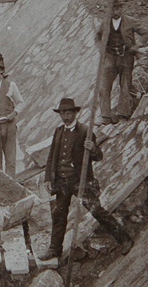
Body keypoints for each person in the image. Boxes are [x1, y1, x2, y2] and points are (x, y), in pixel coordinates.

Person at [40, 98, 134, 260]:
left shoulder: (85, 131)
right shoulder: (59, 131)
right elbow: (51, 157)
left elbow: (99, 156)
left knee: (96, 210)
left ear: (75, 113)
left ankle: (124, 239)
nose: (66, 116)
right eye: (63, 113)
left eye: (69, 112)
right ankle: (55, 249)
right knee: (58, 215)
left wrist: (93, 149)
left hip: (80, 180)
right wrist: (48, 178)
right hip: (61, 182)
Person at [97, 0, 148, 125]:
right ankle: (105, 116)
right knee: (104, 86)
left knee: (125, 86)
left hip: (126, 56)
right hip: (110, 57)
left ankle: (122, 115)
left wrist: (137, 46)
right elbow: (98, 37)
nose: (116, 11)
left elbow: (145, 33)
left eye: (118, 8)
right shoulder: (104, 23)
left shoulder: (131, 21)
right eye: (113, 9)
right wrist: (101, 48)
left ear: (122, 8)